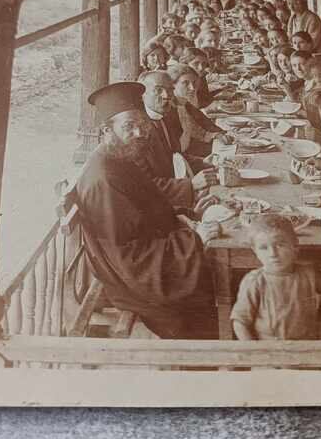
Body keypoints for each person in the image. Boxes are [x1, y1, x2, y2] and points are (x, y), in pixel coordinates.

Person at [74, 81, 220, 339]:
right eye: (129, 126)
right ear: (106, 131)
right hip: (128, 278)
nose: (140, 133)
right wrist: (194, 239)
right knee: (217, 289)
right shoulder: (103, 179)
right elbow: (128, 255)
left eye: (142, 124)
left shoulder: (119, 158)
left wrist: (185, 217)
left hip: (140, 258)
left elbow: (148, 211)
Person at [230, 214, 321, 340]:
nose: (273, 254)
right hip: (269, 349)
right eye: (263, 248)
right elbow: (240, 322)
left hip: (306, 346)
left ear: (295, 246)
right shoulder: (254, 282)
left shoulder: (311, 274)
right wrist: (253, 351)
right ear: (255, 251)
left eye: (280, 245)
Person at [138, 71, 217, 207]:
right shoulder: (138, 131)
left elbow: (175, 156)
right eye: (158, 90)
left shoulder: (166, 116)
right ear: (142, 95)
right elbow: (144, 185)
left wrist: (203, 162)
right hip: (158, 206)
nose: (166, 96)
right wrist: (190, 185)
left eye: (170, 90)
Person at [168, 64, 231, 157]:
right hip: (185, 155)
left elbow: (202, 123)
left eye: (194, 82)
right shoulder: (169, 110)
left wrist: (218, 134)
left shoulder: (184, 102)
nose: (192, 88)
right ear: (172, 85)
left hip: (192, 149)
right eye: (185, 83)